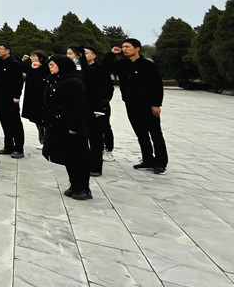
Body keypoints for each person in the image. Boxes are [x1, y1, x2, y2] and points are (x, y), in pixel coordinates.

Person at [104, 38, 167, 174]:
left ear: (137, 48)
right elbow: (105, 69)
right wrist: (112, 54)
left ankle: (161, 162)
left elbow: (157, 85)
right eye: (123, 47)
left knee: (155, 133)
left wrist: (156, 104)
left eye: (128, 46)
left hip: (148, 105)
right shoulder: (122, 64)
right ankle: (148, 159)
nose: (124, 49)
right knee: (141, 133)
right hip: (131, 104)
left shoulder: (148, 65)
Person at [43, 55, 91, 200]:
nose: (50, 68)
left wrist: (74, 126)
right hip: (58, 124)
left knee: (78, 157)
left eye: (53, 65)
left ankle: (83, 188)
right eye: (49, 65)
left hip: (71, 125)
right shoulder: (55, 79)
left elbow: (79, 105)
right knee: (68, 157)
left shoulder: (74, 81)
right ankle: (74, 185)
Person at [79, 46, 114, 177]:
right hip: (82, 107)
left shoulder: (100, 69)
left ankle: (96, 166)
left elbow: (108, 89)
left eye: (86, 53)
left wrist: (101, 108)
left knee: (96, 138)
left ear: (94, 55)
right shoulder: (79, 69)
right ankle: (85, 163)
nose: (83, 55)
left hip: (97, 108)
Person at [0, 43, 25, 158]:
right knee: (5, 123)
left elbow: (19, 81)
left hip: (10, 98)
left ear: (7, 50)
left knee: (15, 123)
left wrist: (17, 96)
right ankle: (8, 146)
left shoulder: (14, 63)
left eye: (0, 49)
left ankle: (19, 148)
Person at [21, 51, 49, 149]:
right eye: (31, 56)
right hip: (32, 96)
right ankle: (42, 141)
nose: (32, 58)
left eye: (34, 56)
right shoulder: (30, 67)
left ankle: (45, 141)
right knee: (36, 119)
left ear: (40, 58)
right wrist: (23, 61)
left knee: (42, 120)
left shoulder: (45, 67)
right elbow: (22, 71)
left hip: (41, 96)